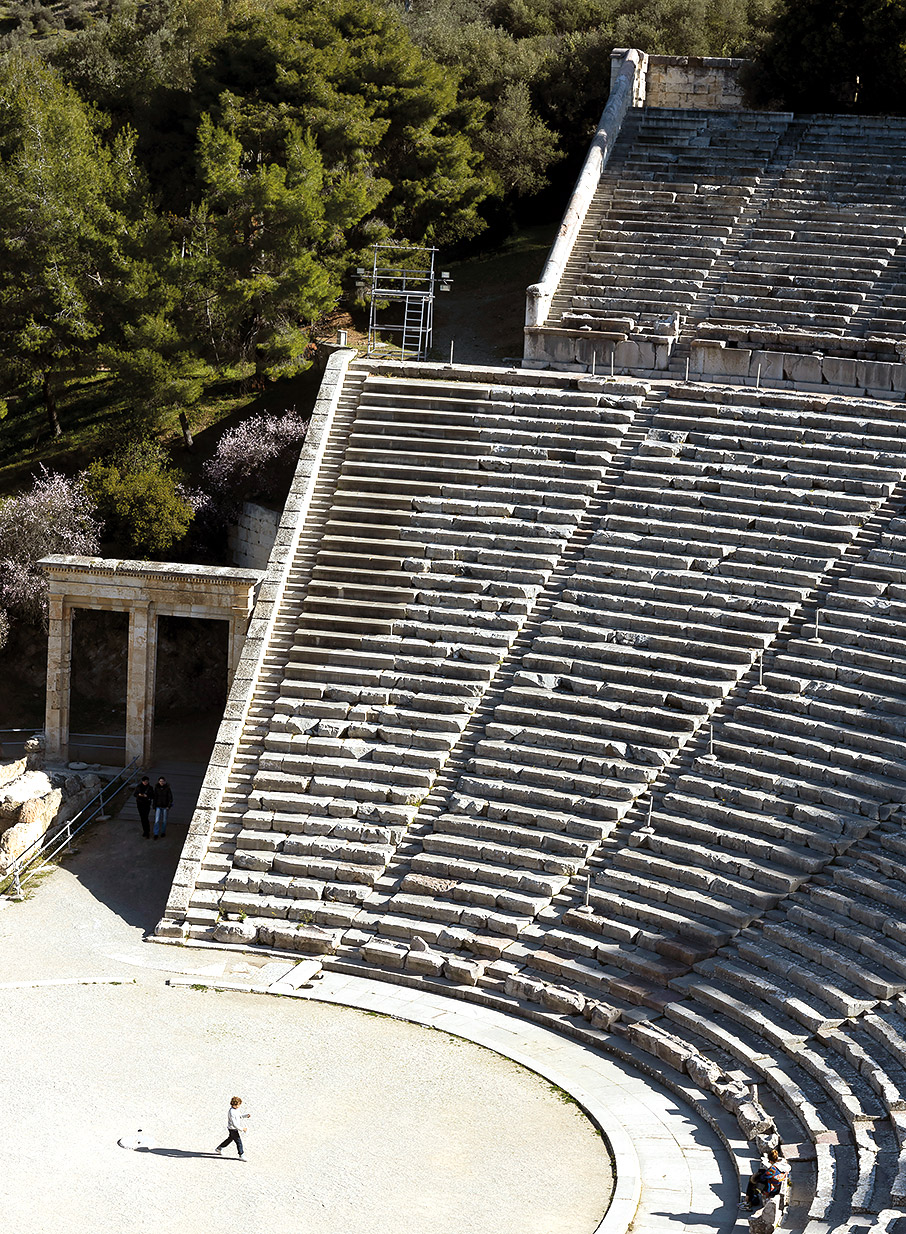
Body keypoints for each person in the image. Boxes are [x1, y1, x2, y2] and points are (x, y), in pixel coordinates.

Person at [745, 1145, 790, 1210]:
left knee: (752, 1180)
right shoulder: (783, 1165)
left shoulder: (773, 1169)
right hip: (778, 1185)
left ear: (771, 1161)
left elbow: (763, 1178)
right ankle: (750, 1197)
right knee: (759, 1174)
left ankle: (747, 1200)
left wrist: (757, 1176)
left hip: (771, 1188)